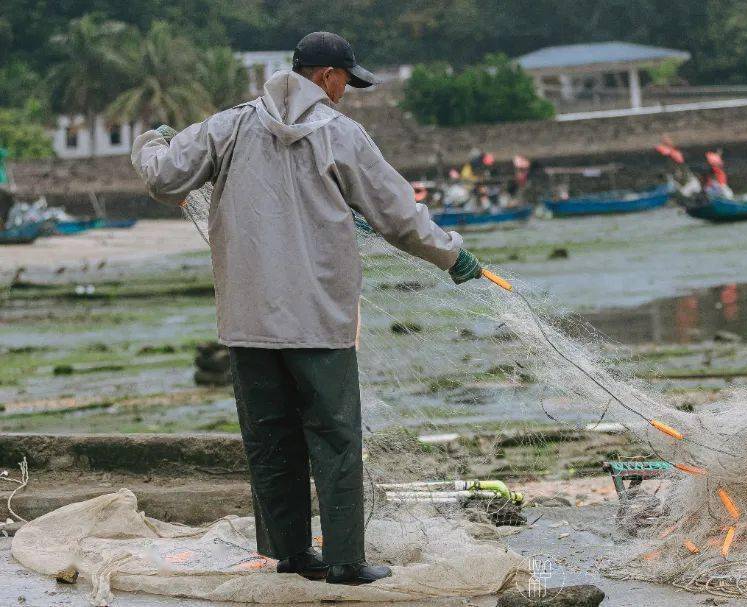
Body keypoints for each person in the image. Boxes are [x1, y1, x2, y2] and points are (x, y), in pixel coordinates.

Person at [130, 32, 487, 586]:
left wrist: (151, 141)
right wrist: (452, 255)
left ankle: (292, 554)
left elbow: (163, 176)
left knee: (270, 440)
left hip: (247, 322)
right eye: (346, 80)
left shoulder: (227, 126)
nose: (347, 91)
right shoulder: (342, 135)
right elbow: (397, 214)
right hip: (319, 321)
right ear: (324, 76)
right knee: (336, 438)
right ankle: (345, 561)